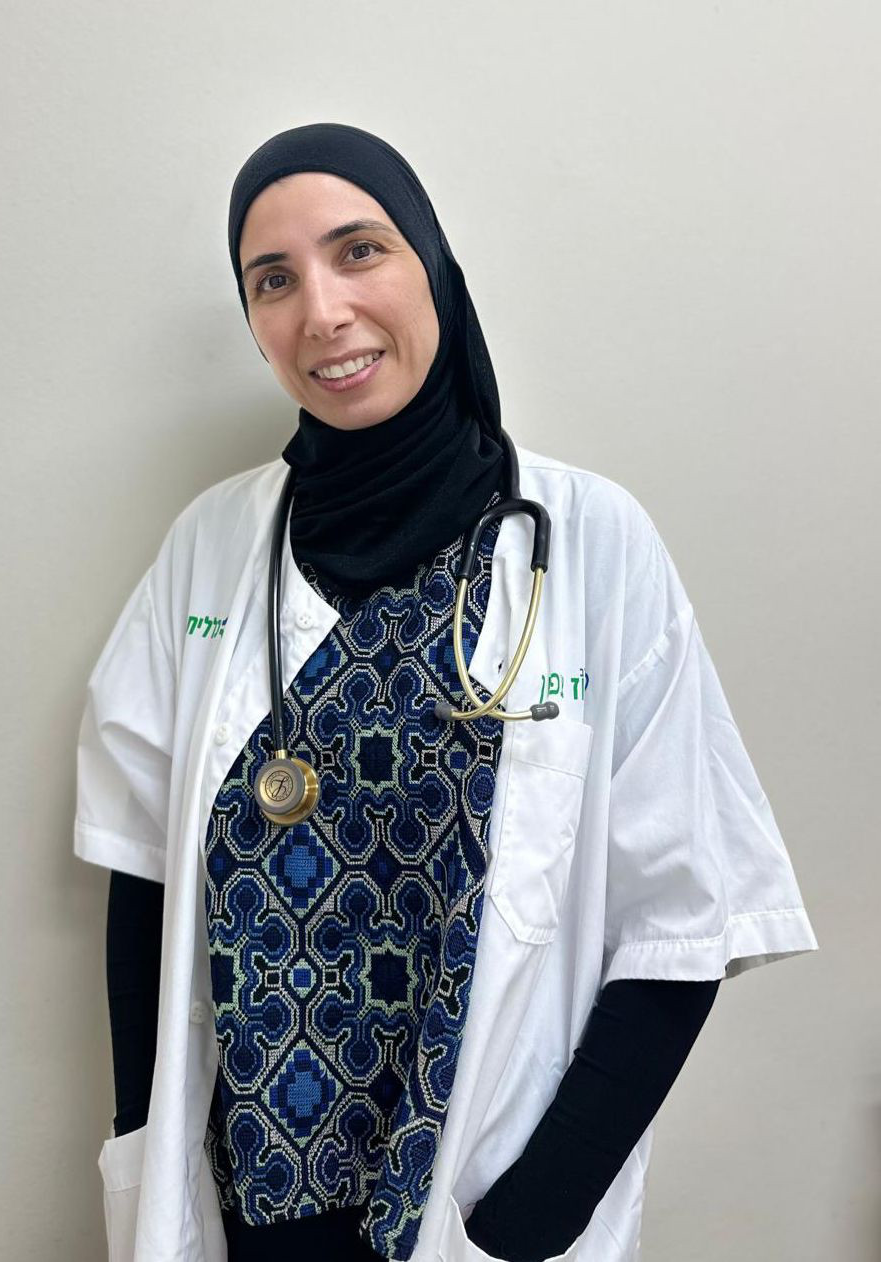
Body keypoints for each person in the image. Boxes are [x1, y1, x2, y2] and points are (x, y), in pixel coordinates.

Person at [77, 122, 819, 1262]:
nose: (321, 311)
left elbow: (683, 923)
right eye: (272, 279)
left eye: (358, 250)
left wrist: (532, 1219)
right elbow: (142, 875)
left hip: (477, 1206)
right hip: (249, 1208)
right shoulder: (211, 547)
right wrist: (144, 1147)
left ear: (430, 264)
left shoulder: (594, 542)